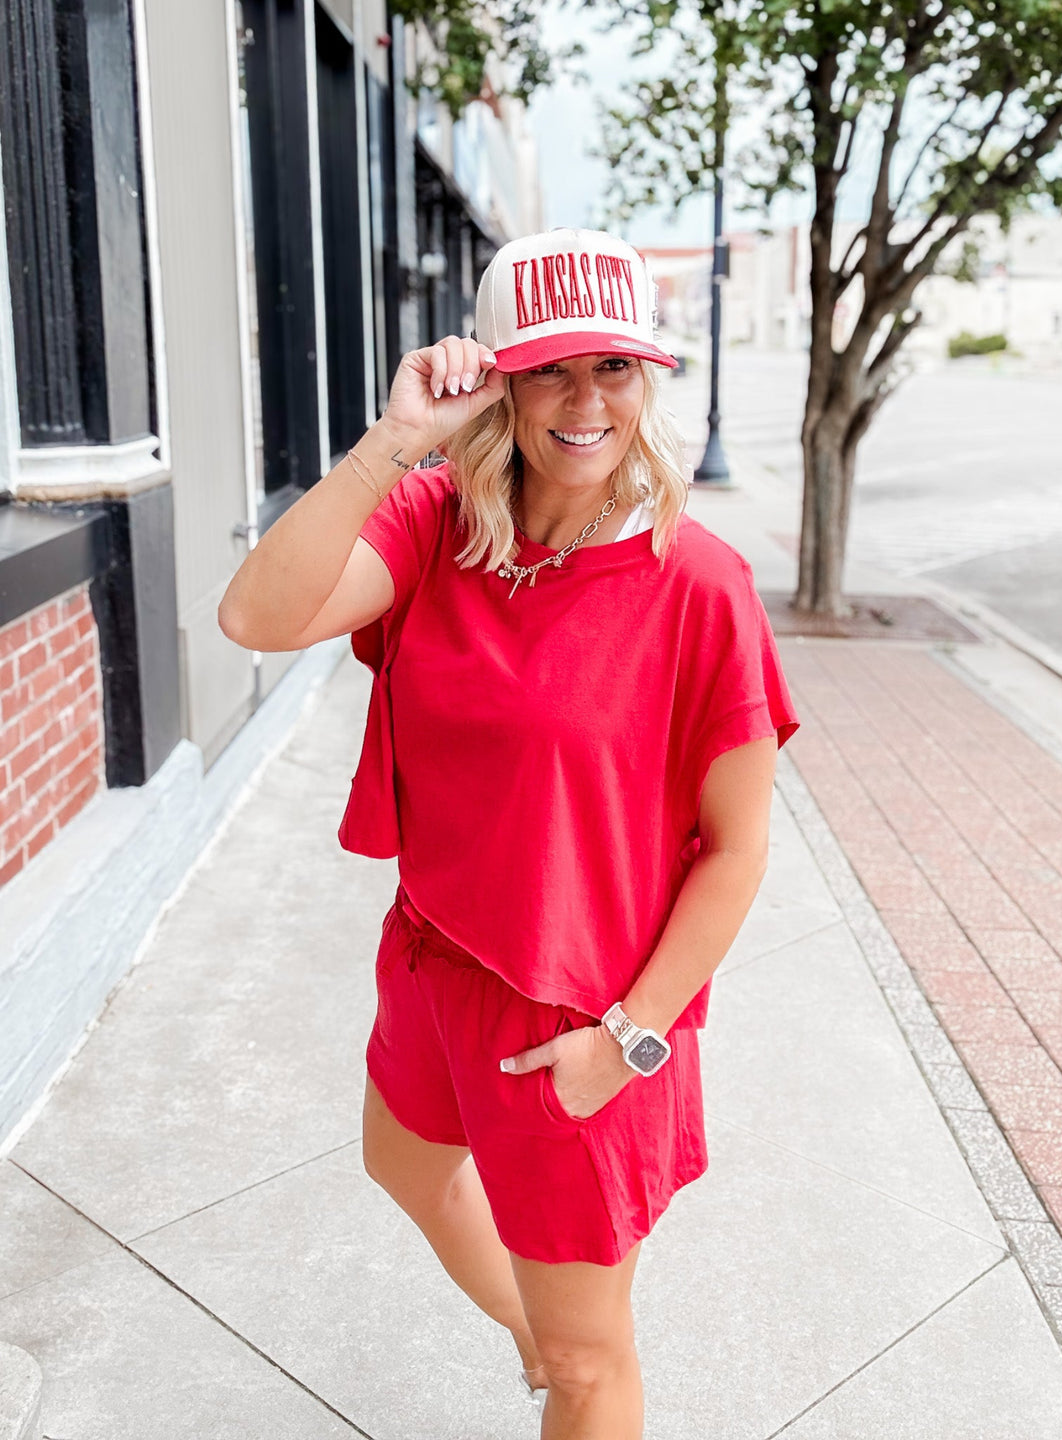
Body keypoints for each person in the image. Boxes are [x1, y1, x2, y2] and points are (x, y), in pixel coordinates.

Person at [219, 227, 799, 1440]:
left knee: (595, 1368)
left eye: (615, 368)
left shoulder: (698, 584)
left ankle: (561, 1357)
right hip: (433, 959)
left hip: (579, 1018)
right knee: (407, 1166)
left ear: (648, 383)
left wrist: (627, 1042)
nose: (586, 401)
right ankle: (536, 1339)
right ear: (501, 381)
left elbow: (738, 849)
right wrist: (392, 444)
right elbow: (256, 616)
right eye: (552, 369)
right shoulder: (437, 528)